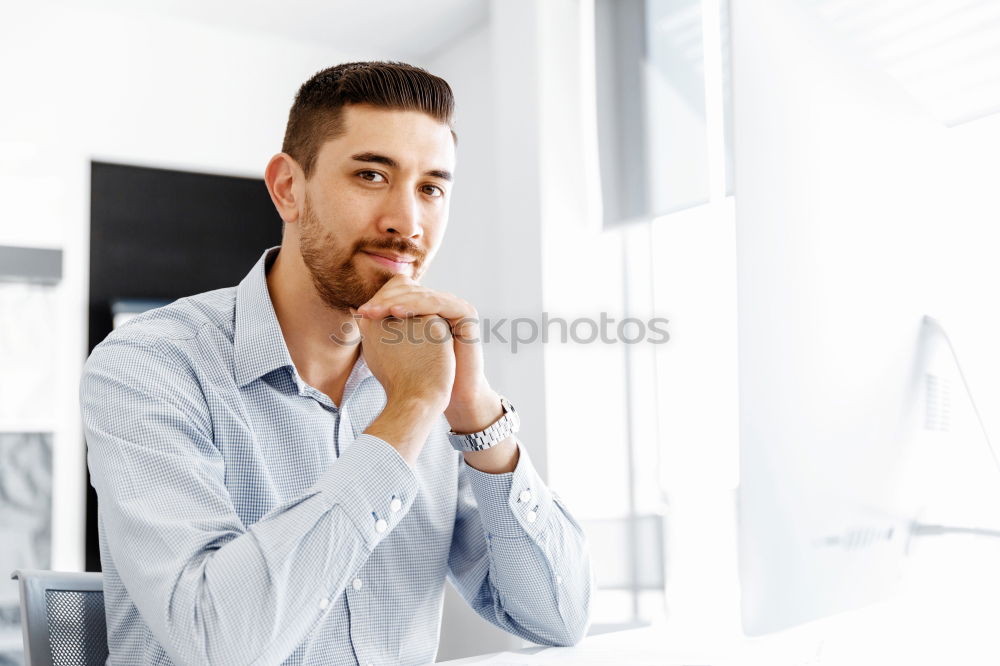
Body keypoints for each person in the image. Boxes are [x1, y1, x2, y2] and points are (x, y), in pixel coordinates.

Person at [81, 61, 592, 665]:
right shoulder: (150, 364)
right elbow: (217, 642)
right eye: (372, 175)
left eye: (431, 188)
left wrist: (476, 415)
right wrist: (405, 416)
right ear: (287, 188)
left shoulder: (428, 381)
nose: (407, 222)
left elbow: (557, 617)